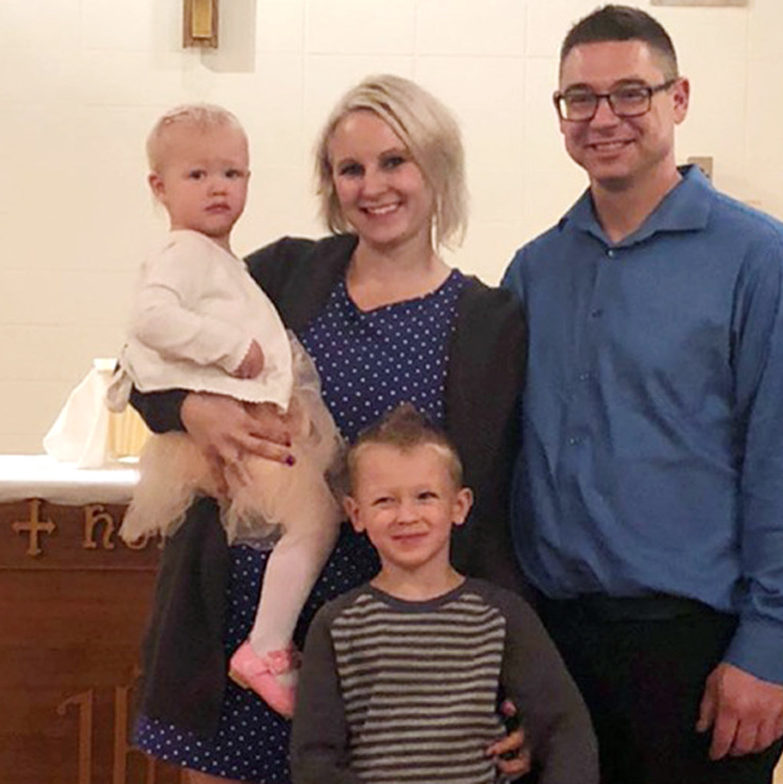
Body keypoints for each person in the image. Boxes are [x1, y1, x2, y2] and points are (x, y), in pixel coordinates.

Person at [128, 75, 530, 784]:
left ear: (436, 167)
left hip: (393, 647)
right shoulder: (284, 274)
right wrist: (193, 411)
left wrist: (515, 673)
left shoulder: (489, 322)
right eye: (351, 168)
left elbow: (494, 505)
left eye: (394, 161)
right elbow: (142, 369)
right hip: (246, 634)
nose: (373, 186)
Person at [500, 6, 783, 784]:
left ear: (678, 98)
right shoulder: (534, 271)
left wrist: (768, 651)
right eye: (579, 99)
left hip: (695, 646)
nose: (604, 118)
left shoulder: (763, 261)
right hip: (557, 642)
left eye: (631, 93)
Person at [107, 104, 345, 718]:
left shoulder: (228, 263)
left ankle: (269, 643)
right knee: (316, 520)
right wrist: (230, 355)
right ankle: (266, 647)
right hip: (232, 436)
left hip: (256, 430)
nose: (219, 187)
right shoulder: (185, 254)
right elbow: (145, 328)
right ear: (158, 187)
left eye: (233, 174)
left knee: (312, 521)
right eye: (198, 175)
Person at [291, 403, 596, 784]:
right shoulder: (336, 625)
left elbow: (565, 728)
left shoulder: (501, 615)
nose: (406, 516)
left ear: (459, 505)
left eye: (425, 497)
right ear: (356, 513)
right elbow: (315, 759)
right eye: (385, 500)